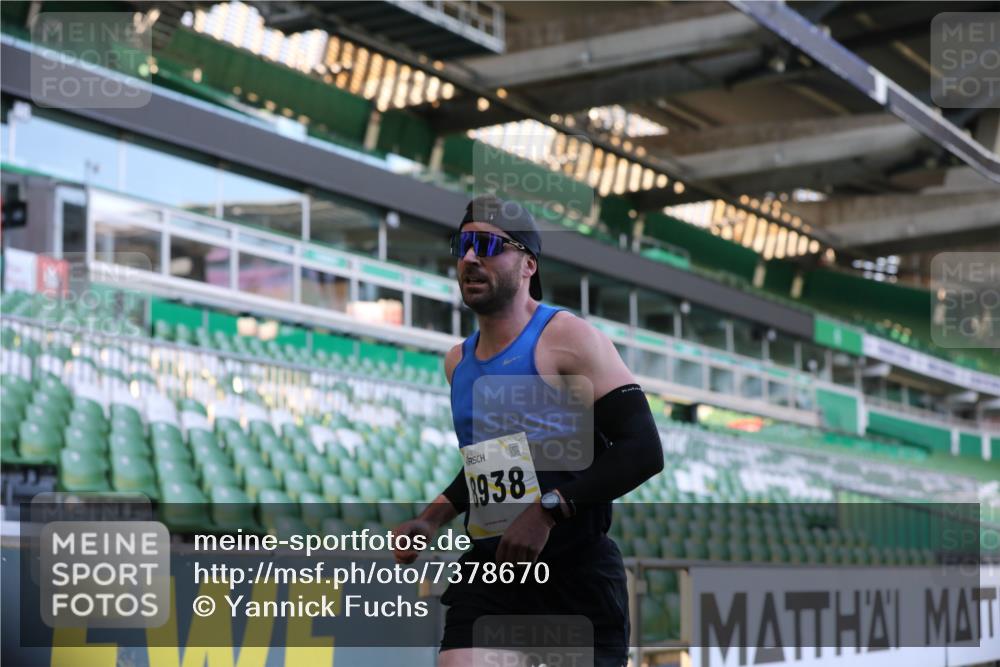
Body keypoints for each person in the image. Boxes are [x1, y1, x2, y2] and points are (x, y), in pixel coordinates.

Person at [393, 194, 664, 667]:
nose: (471, 258)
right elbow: (493, 463)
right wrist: (432, 518)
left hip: (575, 574)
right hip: (493, 570)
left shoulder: (568, 338)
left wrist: (548, 512)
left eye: (487, 245)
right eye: (463, 245)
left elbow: (642, 449)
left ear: (527, 264)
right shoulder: (457, 363)